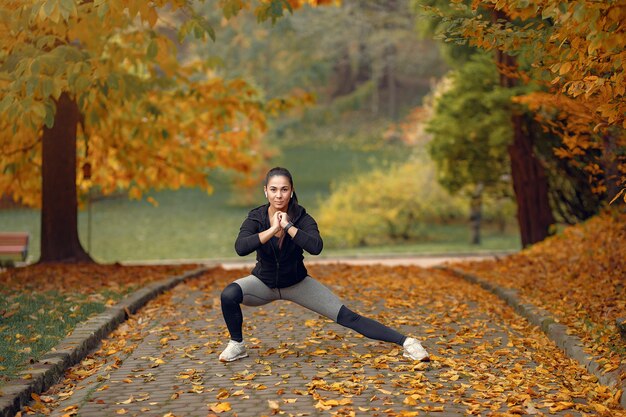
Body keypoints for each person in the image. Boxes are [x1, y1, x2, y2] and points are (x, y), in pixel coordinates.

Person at [219, 167, 429, 362]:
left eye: (284, 189)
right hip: (263, 284)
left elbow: (316, 246)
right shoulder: (256, 217)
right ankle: (237, 344)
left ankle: (408, 343)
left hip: (297, 284)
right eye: (273, 189)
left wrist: (288, 227)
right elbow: (241, 247)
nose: (279, 195)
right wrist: (273, 230)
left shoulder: (302, 218)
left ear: (291, 191)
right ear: (265, 191)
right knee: (229, 295)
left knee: (348, 317)